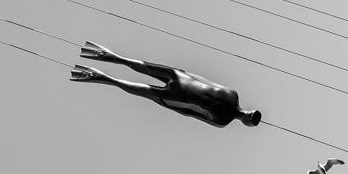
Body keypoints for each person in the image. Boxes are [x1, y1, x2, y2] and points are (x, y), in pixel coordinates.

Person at [70, 41, 262, 128]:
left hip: (177, 98)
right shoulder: (232, 94)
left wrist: (167, 104)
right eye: (253, 114)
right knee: (141, 65)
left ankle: (101, 77)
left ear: (245, 123)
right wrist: (183, 73)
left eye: (250, 118)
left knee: (141, 89)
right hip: (182, 79)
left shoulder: (221, 121)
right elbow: (206, 81)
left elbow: (192, 113)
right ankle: (108, 56)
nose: (249, 115)